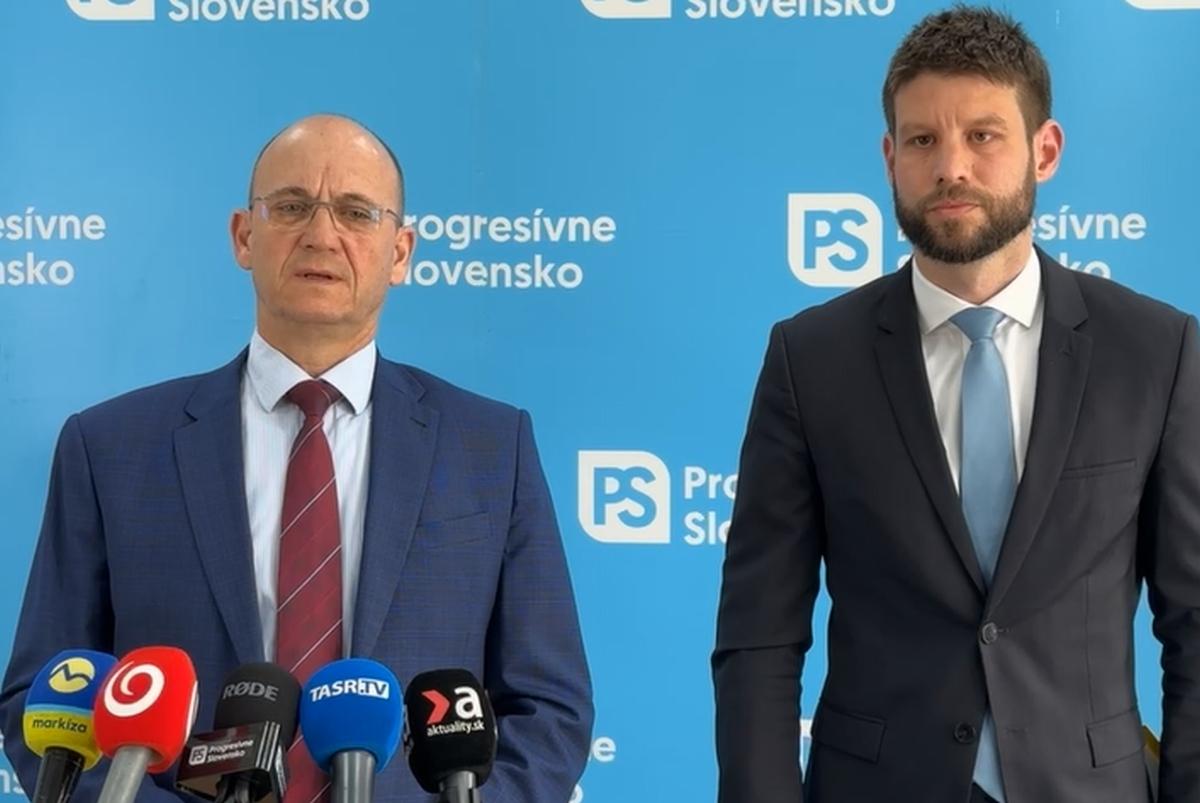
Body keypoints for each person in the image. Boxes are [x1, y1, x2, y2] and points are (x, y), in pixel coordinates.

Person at [0, 114, 594, 802]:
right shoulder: (111, 447)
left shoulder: (491, 446)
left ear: (400, 252)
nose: (321, 234)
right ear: (243, 236)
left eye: (356, 212)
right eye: (290, 207)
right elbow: (49, 698)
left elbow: (549, 709)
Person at [712, 7, 1200, 803]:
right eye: (922, 140)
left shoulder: (1154, 351)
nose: (951, 167)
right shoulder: (811, 360)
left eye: (983, 135)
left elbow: (1194, 622)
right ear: (890, 158)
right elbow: (758, 636)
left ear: (1045, 150)